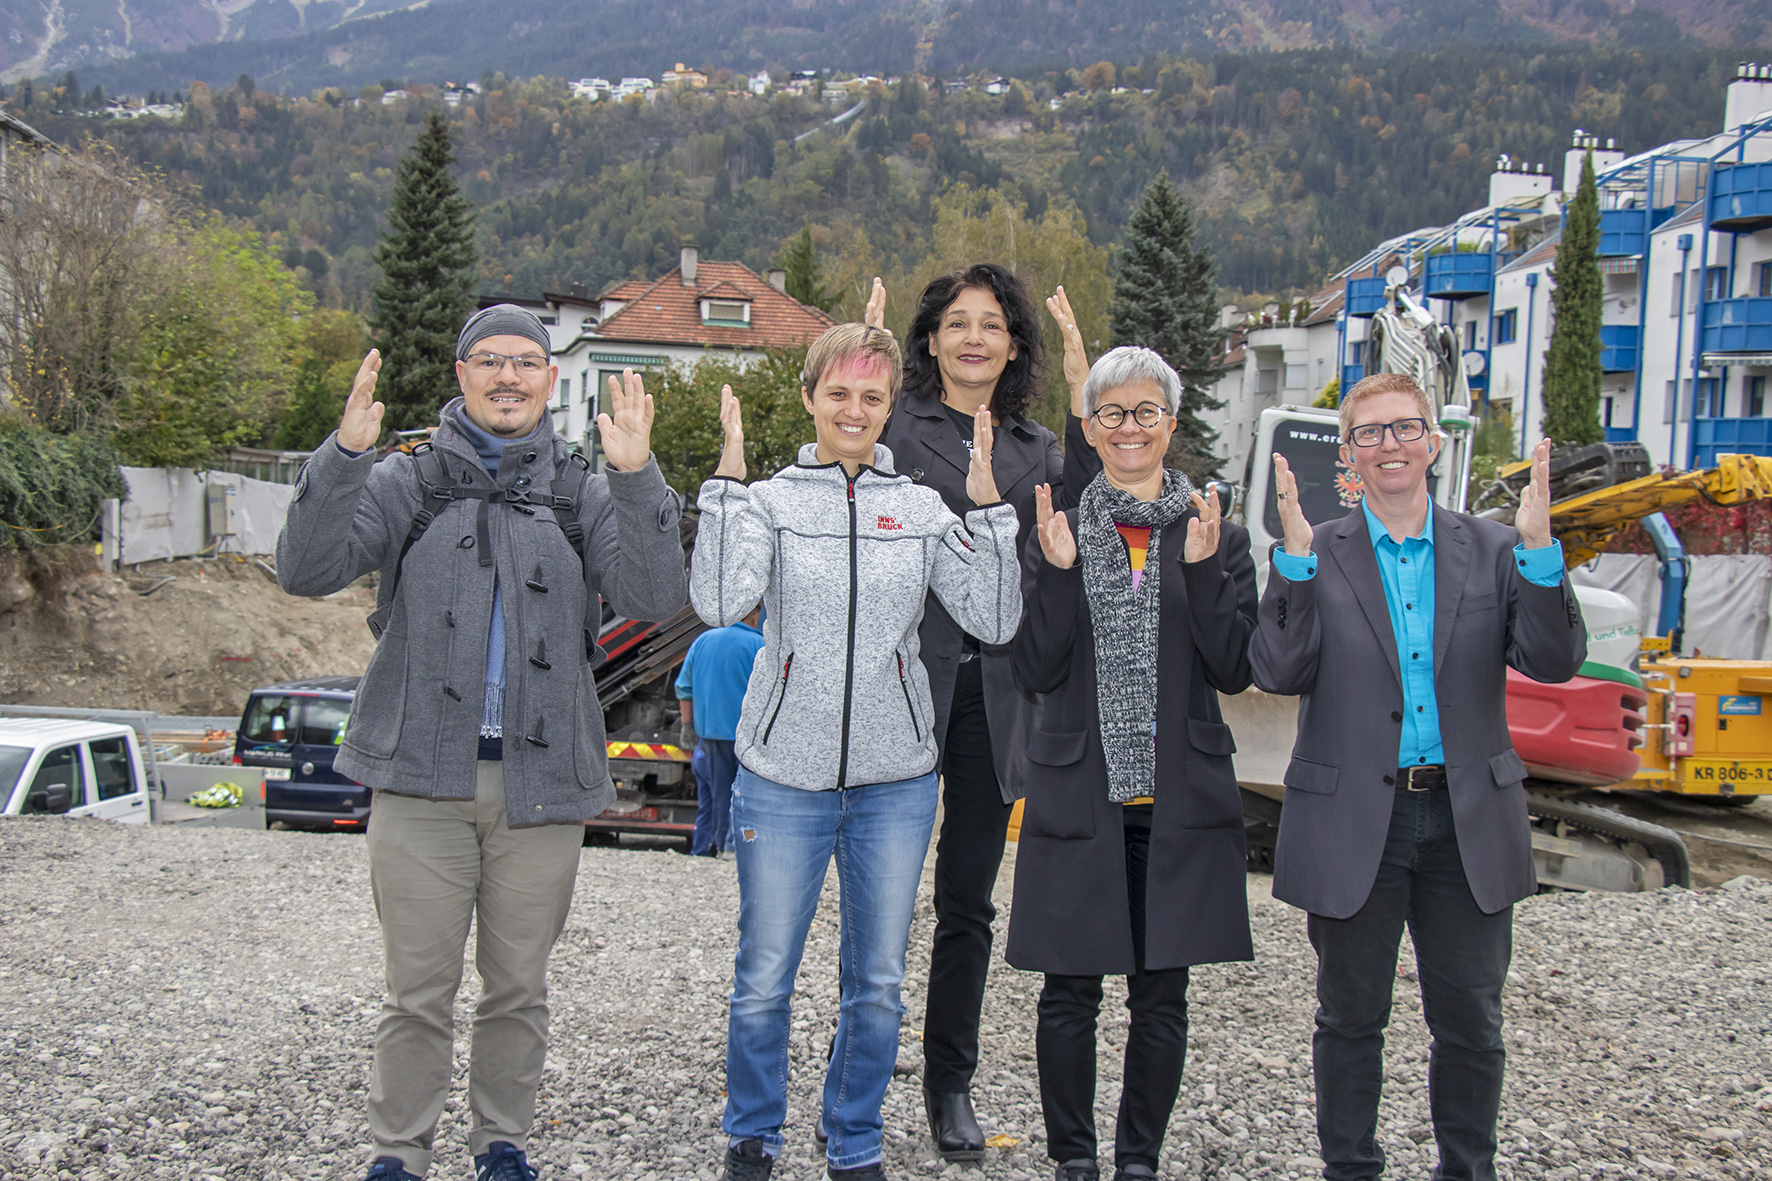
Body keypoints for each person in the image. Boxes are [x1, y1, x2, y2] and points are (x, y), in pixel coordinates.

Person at [277, 304, 688, 1181]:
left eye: (526, 362)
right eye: (489, 360)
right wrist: (343, 457)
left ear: (548, 378)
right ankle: (399, 1153)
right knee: (416, 992)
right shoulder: (407, 479)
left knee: (517, 989)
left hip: (541, 786)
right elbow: (305, 570)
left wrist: (638, 475)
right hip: (419, 782)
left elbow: (653, 595)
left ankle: (501, 1142)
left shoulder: (582, 486)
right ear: (460, 375)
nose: (509, 376)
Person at [690, 322, 1022, 1181]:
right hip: (781, 778)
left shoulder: (917, 508)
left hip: (895, 783)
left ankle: (854, 1137)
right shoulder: (767, 501)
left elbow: (993, 618)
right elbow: (721, 596)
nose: (854, 410)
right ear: (809, 398)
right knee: (765, 976)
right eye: (838, 392)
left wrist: (988, 509)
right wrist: (726, 482)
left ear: (890, 408)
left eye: (872, 397)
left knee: (875, 983)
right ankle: (754, 1133)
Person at [1249, 372, 1585, 1181]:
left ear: (1433, 442)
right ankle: (1351, 1168)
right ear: (1348, 456)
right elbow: (1276, 669)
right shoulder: (1315, 551)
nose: (1390, 445)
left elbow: (1553, 657)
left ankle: (1466, 1169)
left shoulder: (1499, 549)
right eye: (1370, 433)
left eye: (1405, 429)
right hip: (1357, 819)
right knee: (1351, 1016)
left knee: (1471, 1019)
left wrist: (1542, 551)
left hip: (1466, 821)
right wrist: (1291, 565)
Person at [1008, 346, 1257, 1181]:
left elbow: (1232, 666)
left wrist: (1206, 572)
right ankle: (1075, 1159)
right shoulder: (1060, 526)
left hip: (1177, 794)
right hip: (1083, 787)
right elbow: (1036, 670)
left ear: (1171, 425)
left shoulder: (1214, 527)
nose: (1129, 427)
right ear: (1089, 426)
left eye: (1147, 411)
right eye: (1111, 412)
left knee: (1161, 996)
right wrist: (1053, 575)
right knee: (1070, 992)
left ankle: (1138, 1160)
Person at [864, 269, 1091, 1161]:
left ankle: (947, 1083)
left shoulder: (1037, 450)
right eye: (955, 323)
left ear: (1012, 345)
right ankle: (858, 1072)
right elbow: (844, 432)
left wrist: (1083, 383)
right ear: (927, 342)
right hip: (897, 686)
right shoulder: (895, 427)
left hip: (995, 702)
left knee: (967, 905)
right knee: (880, 902)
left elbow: (1079, 524)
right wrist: (863, 343)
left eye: (990, 325)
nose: (972, 338)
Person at [674, 607, 765, 856]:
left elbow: (684, 687)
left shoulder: (703, 640)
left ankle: (710, 848)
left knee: (716, 795)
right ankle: (731, 847)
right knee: (743, 796)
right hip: (746, 737)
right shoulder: (759, 644)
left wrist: (687, 725)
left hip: (710, 734)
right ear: (753, 615)